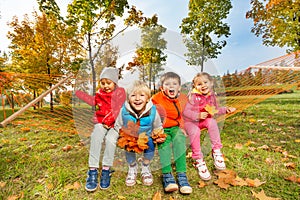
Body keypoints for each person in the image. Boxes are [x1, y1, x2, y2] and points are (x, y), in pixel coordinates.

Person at [75, 67, 126, 191]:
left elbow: (118, 108)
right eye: (103, 83)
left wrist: (109, 122)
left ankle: (106, 170)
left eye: (108, 83)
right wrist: (80, 94)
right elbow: (93, 101)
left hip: (115, 124)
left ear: (115, 82)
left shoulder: (120, 92)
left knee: (110, 140)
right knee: (96, 136)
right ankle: (92, 170)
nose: (105, 86)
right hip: (101, 122)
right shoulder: (99, 93)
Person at [183, 72, 236, 181]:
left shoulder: (211, 96)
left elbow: (214, 110)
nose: (203, 85)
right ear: (195, 87)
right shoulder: (193, 97)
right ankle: (199, 160)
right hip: (190, 122)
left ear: (211, 83)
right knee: (195, 131)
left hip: (203, 121)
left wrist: (226, 109)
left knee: (212, 122)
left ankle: (216, 151)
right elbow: (185, 111)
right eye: (199, 84)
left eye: (205, 82)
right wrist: (197, 115)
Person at [115, 80, 165, 187]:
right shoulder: (123, 111)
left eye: (142, 95)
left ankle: (145, 166)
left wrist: (159, 134)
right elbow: (118, 125)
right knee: (128, 147)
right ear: (128, 98)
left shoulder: (152, 111)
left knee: (151, 146)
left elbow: (157, 125)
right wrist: (119, 135)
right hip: (130, 137)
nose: (137, 99)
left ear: (147, 98)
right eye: (133, 95)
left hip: (146, 137)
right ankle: (132, 166)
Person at [151, 72, 193, 195]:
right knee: (164, 146)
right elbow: (151, 116)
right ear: (162, 87)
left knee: (180, 140)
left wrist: (182, 127)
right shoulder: (156, 99)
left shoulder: (180, 99)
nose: (171, 86)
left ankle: (181, 175)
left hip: (175, 128)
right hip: (161, 128)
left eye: (174, 84)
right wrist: (155, 131)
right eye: (167, 84)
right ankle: (167, 175)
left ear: (179, 87)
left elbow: (180, 116)